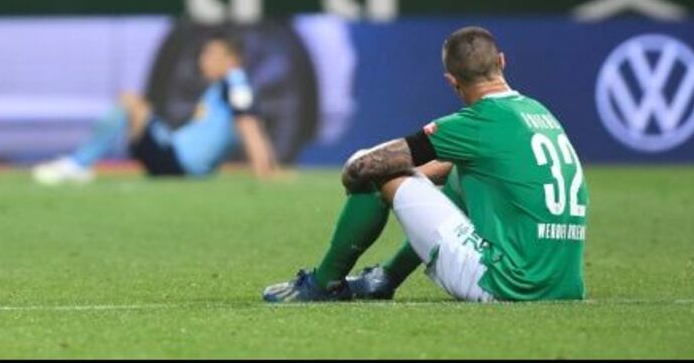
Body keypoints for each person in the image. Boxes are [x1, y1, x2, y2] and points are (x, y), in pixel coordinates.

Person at [263, 26, 588, 303]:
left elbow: (365, 167)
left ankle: (323, 285)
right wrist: (413, 181)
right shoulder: (538, 112)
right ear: (502, 62)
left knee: (375, 172)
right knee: (460, 173)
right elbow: (457, 167)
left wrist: (359, 178)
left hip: (508, 285)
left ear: (451, 81)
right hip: (564, 286)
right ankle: (384, 279)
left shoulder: (476, 122)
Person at [32, 33, 278, 184]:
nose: (204, 60)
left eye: (211, 54)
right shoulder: (220, 88)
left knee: (130, 102)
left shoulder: (235, 82)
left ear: (232, 60)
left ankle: (78, 165)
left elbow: (249, 125)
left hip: (179, 162)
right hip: (176, 159)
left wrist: (264, 171)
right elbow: (252, 122)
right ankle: (80, 163)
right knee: (135, 106)